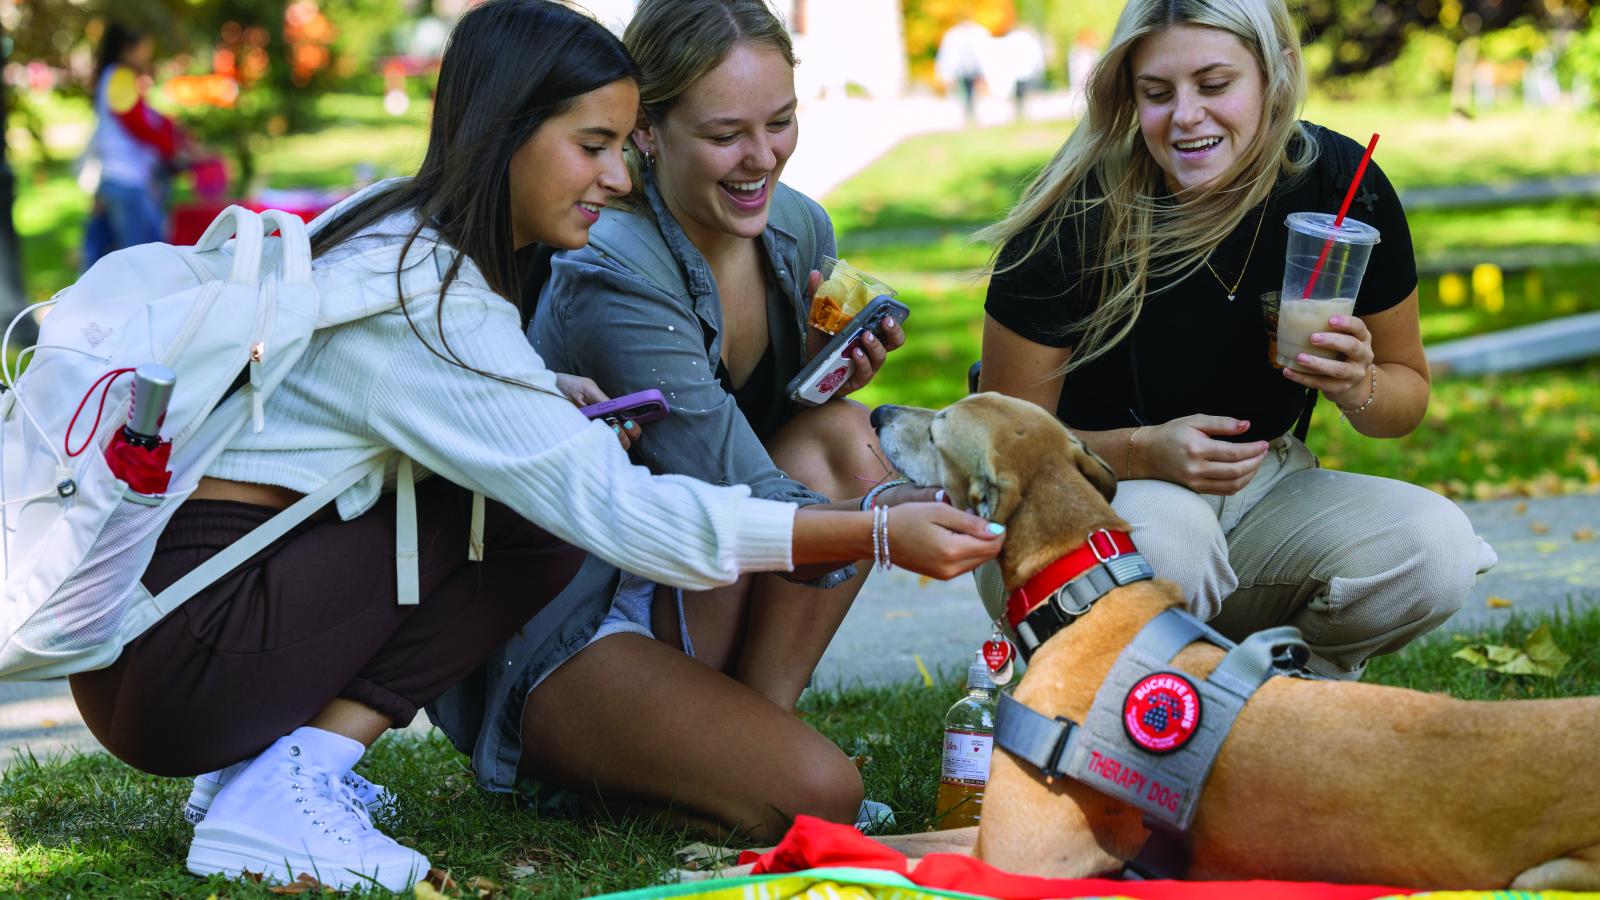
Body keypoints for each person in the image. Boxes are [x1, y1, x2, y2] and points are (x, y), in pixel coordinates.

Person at [64, 1, 1003, 891]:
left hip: (166, 640)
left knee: (508, 507)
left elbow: (363, 405)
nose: (619, 178)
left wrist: (541, 391)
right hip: (178, 658)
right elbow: (630, 517)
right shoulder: (438, 301)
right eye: (593, 147)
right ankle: (280, 786)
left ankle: (278, 768)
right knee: (517, 509)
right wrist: (877, 534)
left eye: (616, 146)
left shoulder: (405, 227)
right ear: (505, 132)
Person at [436, 0, 923, 841]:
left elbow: (771, 444)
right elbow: (737, 485)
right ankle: (584, 767)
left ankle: (758, 725)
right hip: (581, 613)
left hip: (696, 572)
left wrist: (820, 376)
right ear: (648, 132)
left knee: (844, 435)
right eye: (727, 133)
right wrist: (887, 526)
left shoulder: (797, 225)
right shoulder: (609, 265)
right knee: (822, 799)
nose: (761, 158)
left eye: (781, 122)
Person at [976, 0, 1495, 679]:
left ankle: (1284, 694)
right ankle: (1119, 692)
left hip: (1264, 485)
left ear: (1274, 73)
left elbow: (1406, 396)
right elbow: (998, 449)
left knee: (1437, 549)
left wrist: (1357, 382)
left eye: (1214, 84)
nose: (1186, 116)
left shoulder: (1341, 185)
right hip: (1082, 498)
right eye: (1156, 93)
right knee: (1173, 539)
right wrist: (1140, 452)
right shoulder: (1079, 216)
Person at [82, 24, 182, 270]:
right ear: (129, 49)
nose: (148, 54)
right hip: (126, 178)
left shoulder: (115, 77)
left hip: (119, 176)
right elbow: (138, 124)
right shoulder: (120, 78)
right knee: (143, 257)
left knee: (119, 252)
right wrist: (171, 148)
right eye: (145, 48)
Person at [935, 18, 990, 124]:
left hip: (975, 69)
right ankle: (967, 113)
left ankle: (972, 113)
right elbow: (950, 54)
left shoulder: (978, 33)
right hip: (961, 70)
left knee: (974, 93)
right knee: (963, 93)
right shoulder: (955, 35)